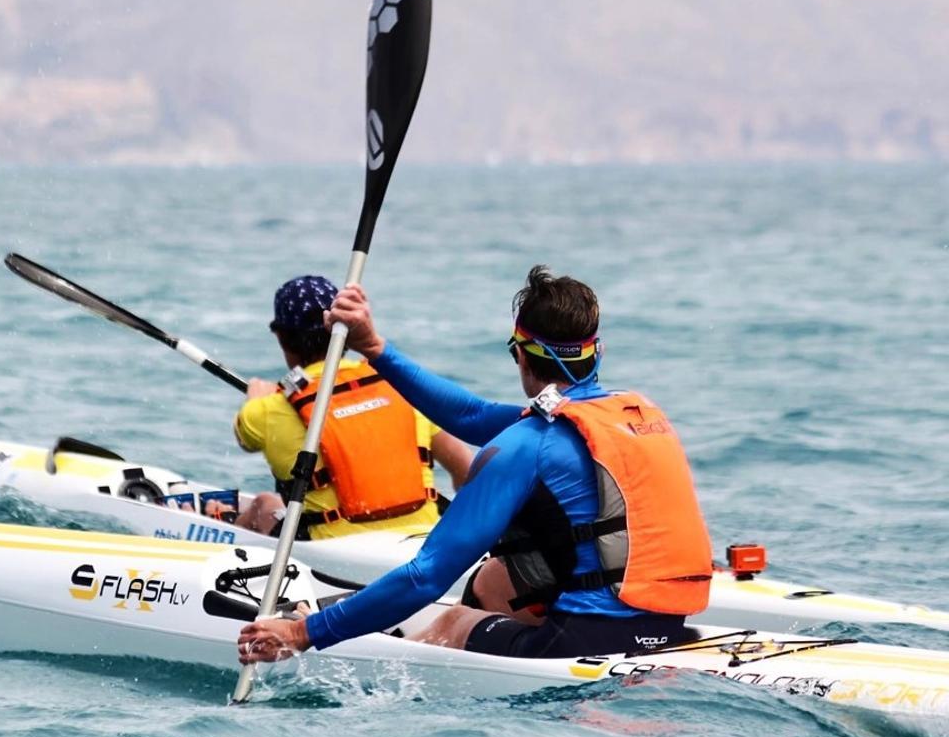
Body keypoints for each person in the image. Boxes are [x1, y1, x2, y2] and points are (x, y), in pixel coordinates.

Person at [237, 265, 713, 664]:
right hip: (667, 626)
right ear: (597, 351)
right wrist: (374, 347)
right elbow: (471, 416)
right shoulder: (632, 415)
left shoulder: (526, 446)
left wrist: (304, 633)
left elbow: (427, 576)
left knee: (454, 619)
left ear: (519, 355)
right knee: (493, 581)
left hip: (587, 642)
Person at [221, 274, 473, 540]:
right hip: (422, 544)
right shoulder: (401, 386)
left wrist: (256, 397)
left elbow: (245, 439)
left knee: (264, 505)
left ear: (282, 338)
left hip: (332, 553)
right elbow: (467, 471)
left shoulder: (266, 409)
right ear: (346, 332)